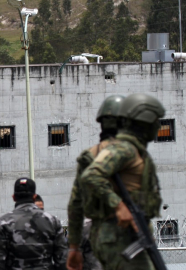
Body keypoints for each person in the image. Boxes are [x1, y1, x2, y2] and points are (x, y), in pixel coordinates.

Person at [79, 93, 165, 270]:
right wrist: (119, 206)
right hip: (117, 232)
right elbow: (91, 176)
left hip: (129, 229)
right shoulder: (122, 151)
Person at [67, 95, 125, 270]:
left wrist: (75, 246)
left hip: (95, 230)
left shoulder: (89, 156)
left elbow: (76, 205)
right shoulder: (137, 156)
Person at [0, 178, 67, 270]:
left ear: (14, 197)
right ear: (34, 197)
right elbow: (63, 260)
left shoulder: (3, 223)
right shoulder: (51, 221)